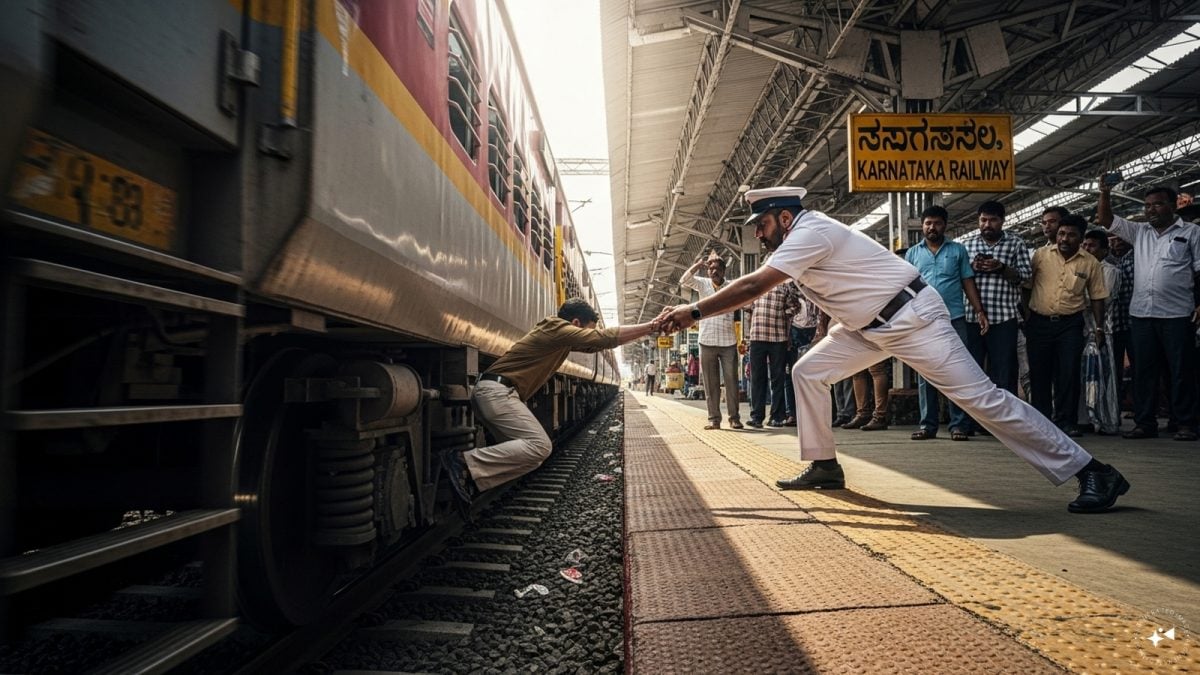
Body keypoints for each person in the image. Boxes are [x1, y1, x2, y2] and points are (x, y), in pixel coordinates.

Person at [656, 185, 1130, 514]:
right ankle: (823, 464)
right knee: (807, 372)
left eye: (760, 225)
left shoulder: (809, 231)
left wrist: (694, 312)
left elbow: (756, 284)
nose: (757, 234)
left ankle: (1091, 471)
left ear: (783, 217)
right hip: (867, 327)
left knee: (983, 400)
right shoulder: (798, 239)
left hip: (913, 320)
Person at [441, 298, 663, 506]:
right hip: (497, 392)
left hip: (496, 392)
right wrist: (652, 326)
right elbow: (600, 339)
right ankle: (462, 463)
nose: (588, 336)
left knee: (531, 458)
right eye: (587, 330)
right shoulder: (555, 327)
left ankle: (469, 480)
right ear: (575, 323)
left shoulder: (559, 337)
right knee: (539, 447)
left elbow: (594, 345)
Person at [1098, 181, 1200, 441]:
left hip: (1178, 313)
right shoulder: (1139, 232)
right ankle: (1145, 423)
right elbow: (1106, 219)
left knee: (1180, 371)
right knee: (1144, 370)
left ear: (1173, 205)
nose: (1151, 210)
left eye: (1157, 204)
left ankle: (1185, 423)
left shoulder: (1191, 233)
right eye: (1147, 206)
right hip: (1142, 314)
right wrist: (1105, 193)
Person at [905, 205, 989, 441]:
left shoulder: (958, 251)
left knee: (957, 370)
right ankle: (927, 425)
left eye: (937, 223)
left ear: (945, 225)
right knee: (925, 372)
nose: (932, 227)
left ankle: (959, 425)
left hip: (954, 319)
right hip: (923, 320)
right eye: (928, 223)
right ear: (922, 226)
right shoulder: (912, 254)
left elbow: (967, 281)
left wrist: (979, 310)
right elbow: (908, 288)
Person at [1024, 215, 1108, 436]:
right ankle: (1041, 420)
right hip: (1038, 322)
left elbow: (1098, 297)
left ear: (1081, 238)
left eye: (1071, 235)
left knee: (1068, 373)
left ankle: (1066, 421)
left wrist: (1099, 328)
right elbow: (1026, 286)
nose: (1064, 238)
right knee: (1039, 374)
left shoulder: (1090, 263)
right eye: (1061, 233)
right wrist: (1025, 315)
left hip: (1070, 324)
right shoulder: (1040, 256)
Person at [962, 201, 1031, 402]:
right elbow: (960, 279)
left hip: (1004, 318)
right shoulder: (967, 245)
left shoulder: (1016, 243)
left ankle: (1005, 415)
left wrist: (1001, 267)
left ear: (1002, 221)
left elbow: (1026, 277)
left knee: (1004, 370)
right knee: (972, 369)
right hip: (972, 317)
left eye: (993, 220)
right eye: (983, 220)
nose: (987, 225)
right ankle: (977, 418)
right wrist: (972, 267)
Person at [681, 251, 744, 430]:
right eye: (711, 268)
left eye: (717, 268)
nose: (714, 271)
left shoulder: (732, 286)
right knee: (710, 383)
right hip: (706, 340)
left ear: (724, 271)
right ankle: (714, 419)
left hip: (728, 341)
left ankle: (734, 418)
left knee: (732, 381)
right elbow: (685, 280)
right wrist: (698, 265)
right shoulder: (702, 285)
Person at [1079, 229, 1122, 434]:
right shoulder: (1082, 268)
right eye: (1085, 245)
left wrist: (1074, 296)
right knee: (1086, 377)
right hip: (1082, 330)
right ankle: (1087, 418)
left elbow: (1103, 300)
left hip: (1102, 331)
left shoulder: (1109, 271)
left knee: (1102, 378)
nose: (1087, 249)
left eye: (1092, 246)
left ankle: (1106, 420)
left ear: (1104, 250)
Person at [744, 273, 801, 427]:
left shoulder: (785, 285)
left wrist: (784, 315)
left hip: (779, 337)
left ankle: (776, 416)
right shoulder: (757, 286)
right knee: (757, 378)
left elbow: (796, 306)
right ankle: (756, 417)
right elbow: (747, 307)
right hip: (757, 336)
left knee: (778, 378)